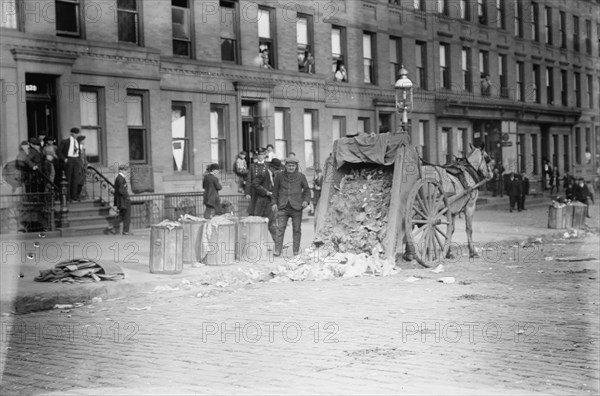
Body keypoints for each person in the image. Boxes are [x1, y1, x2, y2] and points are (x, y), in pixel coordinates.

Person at [271, 156, 311, 257]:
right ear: (286, 166)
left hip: (297, 207)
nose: (291, 167)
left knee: (297, 229)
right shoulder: (279, 176)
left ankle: (296, 251)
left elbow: (307, 190)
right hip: (283, 207)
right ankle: (277, 250)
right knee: (280, 228)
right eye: (289, 165)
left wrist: (306, 201)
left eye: (293, 166)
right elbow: (275, 191)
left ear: (296, 166)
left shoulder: (301, 176)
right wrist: (274, 203)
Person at [253, 158, 283, 242]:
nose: (277, 171)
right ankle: (258, 243)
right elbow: (255, 184)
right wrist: (266, 192)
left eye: (278, 169)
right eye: (276, 169)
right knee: (260, 222)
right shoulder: (263, 173)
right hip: (262, 202)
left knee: (272, 222)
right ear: (272, 167)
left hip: (270, 202)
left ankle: (278, 243)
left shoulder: (274, 175)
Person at [105, 164, 132, 235]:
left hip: (122, 200)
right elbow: (121, 190)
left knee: (122, 215)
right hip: (123, 200)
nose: (126, 172)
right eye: (125, 170)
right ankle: (125, 231)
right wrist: (127, 197)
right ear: (121, 170)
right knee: (126, 215)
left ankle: (111, 225)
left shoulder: (120, 178)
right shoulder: (120, 178)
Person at [58, 127, 83, 202]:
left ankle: (74, 196)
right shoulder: (65, 141)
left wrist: (79, 160)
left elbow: (78, 152)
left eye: (77, 133)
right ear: (71, 133)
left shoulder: (78, 142)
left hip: (76, 159)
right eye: (74, 133)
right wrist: (64, 159)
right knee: (68, 178)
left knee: (75, 178)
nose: (76, 135)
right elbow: (59, 151)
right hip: (69, 159)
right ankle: (67, 196)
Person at [245, 148, 268, 215]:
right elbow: (249, 180)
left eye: (261, 155)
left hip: (265, 191)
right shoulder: (252, 166)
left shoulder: (268, 165)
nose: (260, 156)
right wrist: (247, 193)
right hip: (255, 192)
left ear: (264, 155)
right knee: (254, 211)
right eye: (258, 155)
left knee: (265, 211)